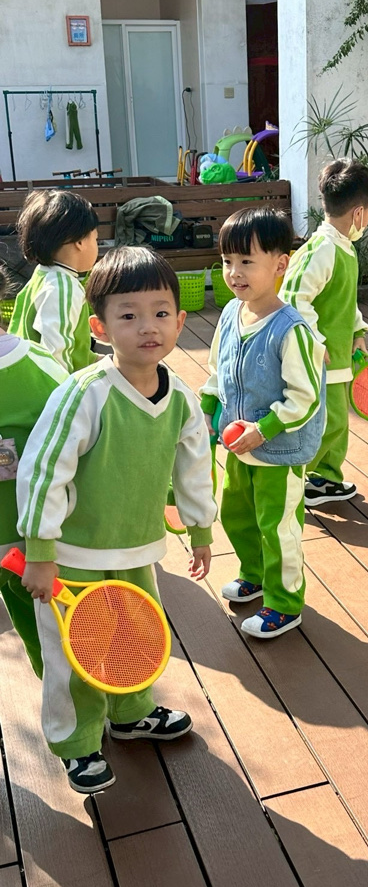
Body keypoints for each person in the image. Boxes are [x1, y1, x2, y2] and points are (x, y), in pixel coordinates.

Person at [16, 246, 217, 793]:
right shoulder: (85, 394)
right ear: (100, 327)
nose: (148, 326)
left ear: (180, 320)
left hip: (137, 550)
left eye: (160, 312)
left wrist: (201, 528)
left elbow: (194, 466)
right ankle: (77, 743)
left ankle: (131, 715)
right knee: (74, 654)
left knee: (135, 638)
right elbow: (42, 472)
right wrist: (41, 552)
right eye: (129, 315)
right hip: (72, 557)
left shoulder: (181, 399)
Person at [199, 207, 326, 639]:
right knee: (237, 516)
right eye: (227, 261)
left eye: (247, 261)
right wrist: (207, 407)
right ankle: (253, 574)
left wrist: (264, 429)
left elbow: (305, 397)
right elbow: (218, 370)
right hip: (237, 447)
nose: (234, 272)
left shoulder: (292, 330)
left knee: (278, 529)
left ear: (280, 264)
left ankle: (284, 604)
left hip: (278, 451)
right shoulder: (230, 315)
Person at [280, 158, 368, 507]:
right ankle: (296, 479)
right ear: (358, 213)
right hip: (319, 361)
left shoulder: (343, 248)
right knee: (326, 422)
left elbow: (344, 300)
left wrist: (357, 330)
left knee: (336, 422)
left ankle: (324, 479)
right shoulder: (321, 249)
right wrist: (315, 344)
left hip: (336, 358)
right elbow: (293, 299)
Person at [0, 264, 68, 678]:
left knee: (55, 634)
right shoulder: (39, 364)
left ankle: (73, 700)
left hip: (36, 544)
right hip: (24, 542)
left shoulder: (37, 365)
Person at [9, 189, 100, 372]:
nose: (96, 245)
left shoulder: (43, 274)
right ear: (80, 242)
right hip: (50, 384)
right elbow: (56, 354)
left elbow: (77, 349)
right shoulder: (62, 288)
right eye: (96, 239)